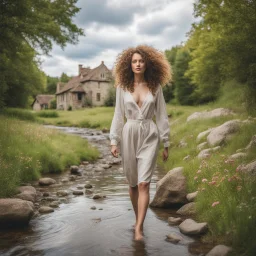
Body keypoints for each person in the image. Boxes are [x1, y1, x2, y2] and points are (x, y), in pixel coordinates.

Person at [109, 45, 172, 241]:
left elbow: (161, 115)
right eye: (134, 61)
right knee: (133, 183)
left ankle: (138, 227)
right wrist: (114, 140)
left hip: (149, 135)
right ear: (129, 64)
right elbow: (118, 115)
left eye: (141, 61)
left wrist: (166, 141)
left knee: (144, 183)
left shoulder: (155, 87)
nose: (138, 64)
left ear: (147, 64)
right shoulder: (122, 87)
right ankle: (138, 218)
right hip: (129, 133)